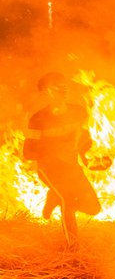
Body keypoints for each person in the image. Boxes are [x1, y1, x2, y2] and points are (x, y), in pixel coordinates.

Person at [24, 72, 101, 248]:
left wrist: (89, 159)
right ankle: (73, 249)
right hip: (49, 169)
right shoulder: (37, 120)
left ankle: (54, 196)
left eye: (64, 86)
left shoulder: (78, 111)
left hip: (72, 167)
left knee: (94, 209)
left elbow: (83, 139)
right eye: (57, 87)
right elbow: (28, 152)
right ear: (46, 92)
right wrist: (54, 153)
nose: (63, 90)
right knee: (69, 200)